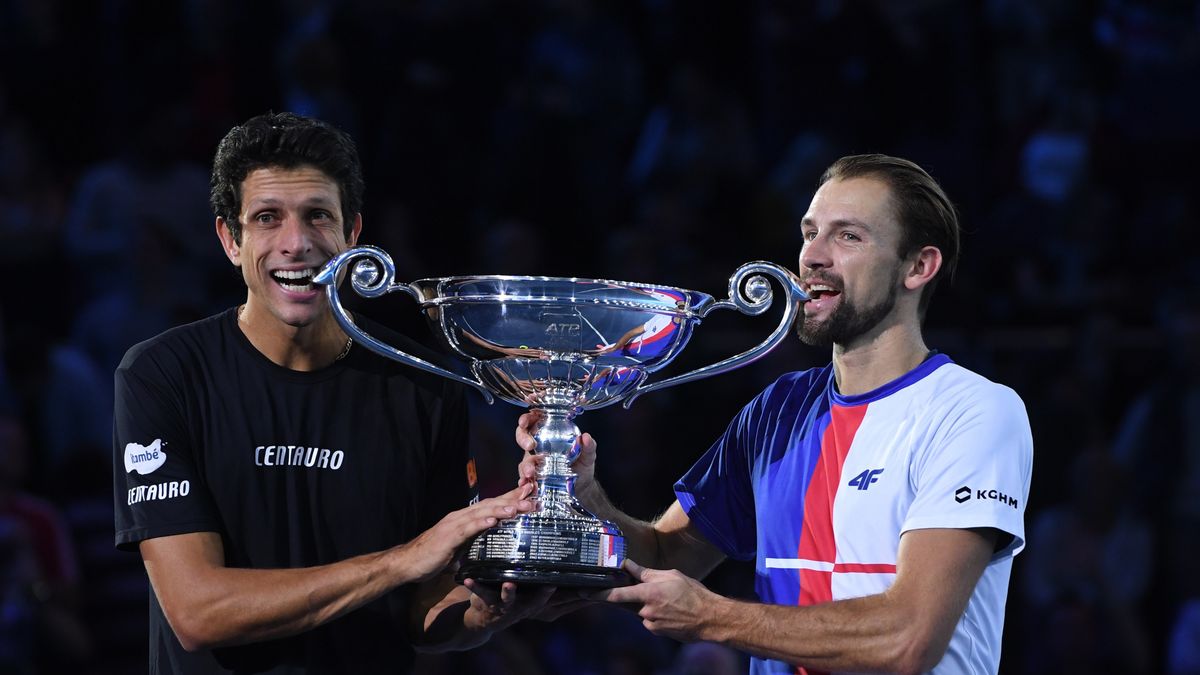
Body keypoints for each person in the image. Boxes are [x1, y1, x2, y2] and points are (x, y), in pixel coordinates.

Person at [518, 154, 1034, 674]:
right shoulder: (778, 411)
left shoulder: (974, 412)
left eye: (848, 236)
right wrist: (582, 493)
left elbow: (907, 638)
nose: (813, 256)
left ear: (918, 267)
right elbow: (664, 558)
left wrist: (712, 616)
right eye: (810, 232)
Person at [113, 111, 549, 675]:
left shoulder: (425, 386)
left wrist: (490, 611)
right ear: (229, 239)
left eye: (318, 216)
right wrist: (399, 563)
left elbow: (423, 613)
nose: (296, 244)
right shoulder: (162, 374)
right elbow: (198, 612)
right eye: (267, 218)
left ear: (353, 237)